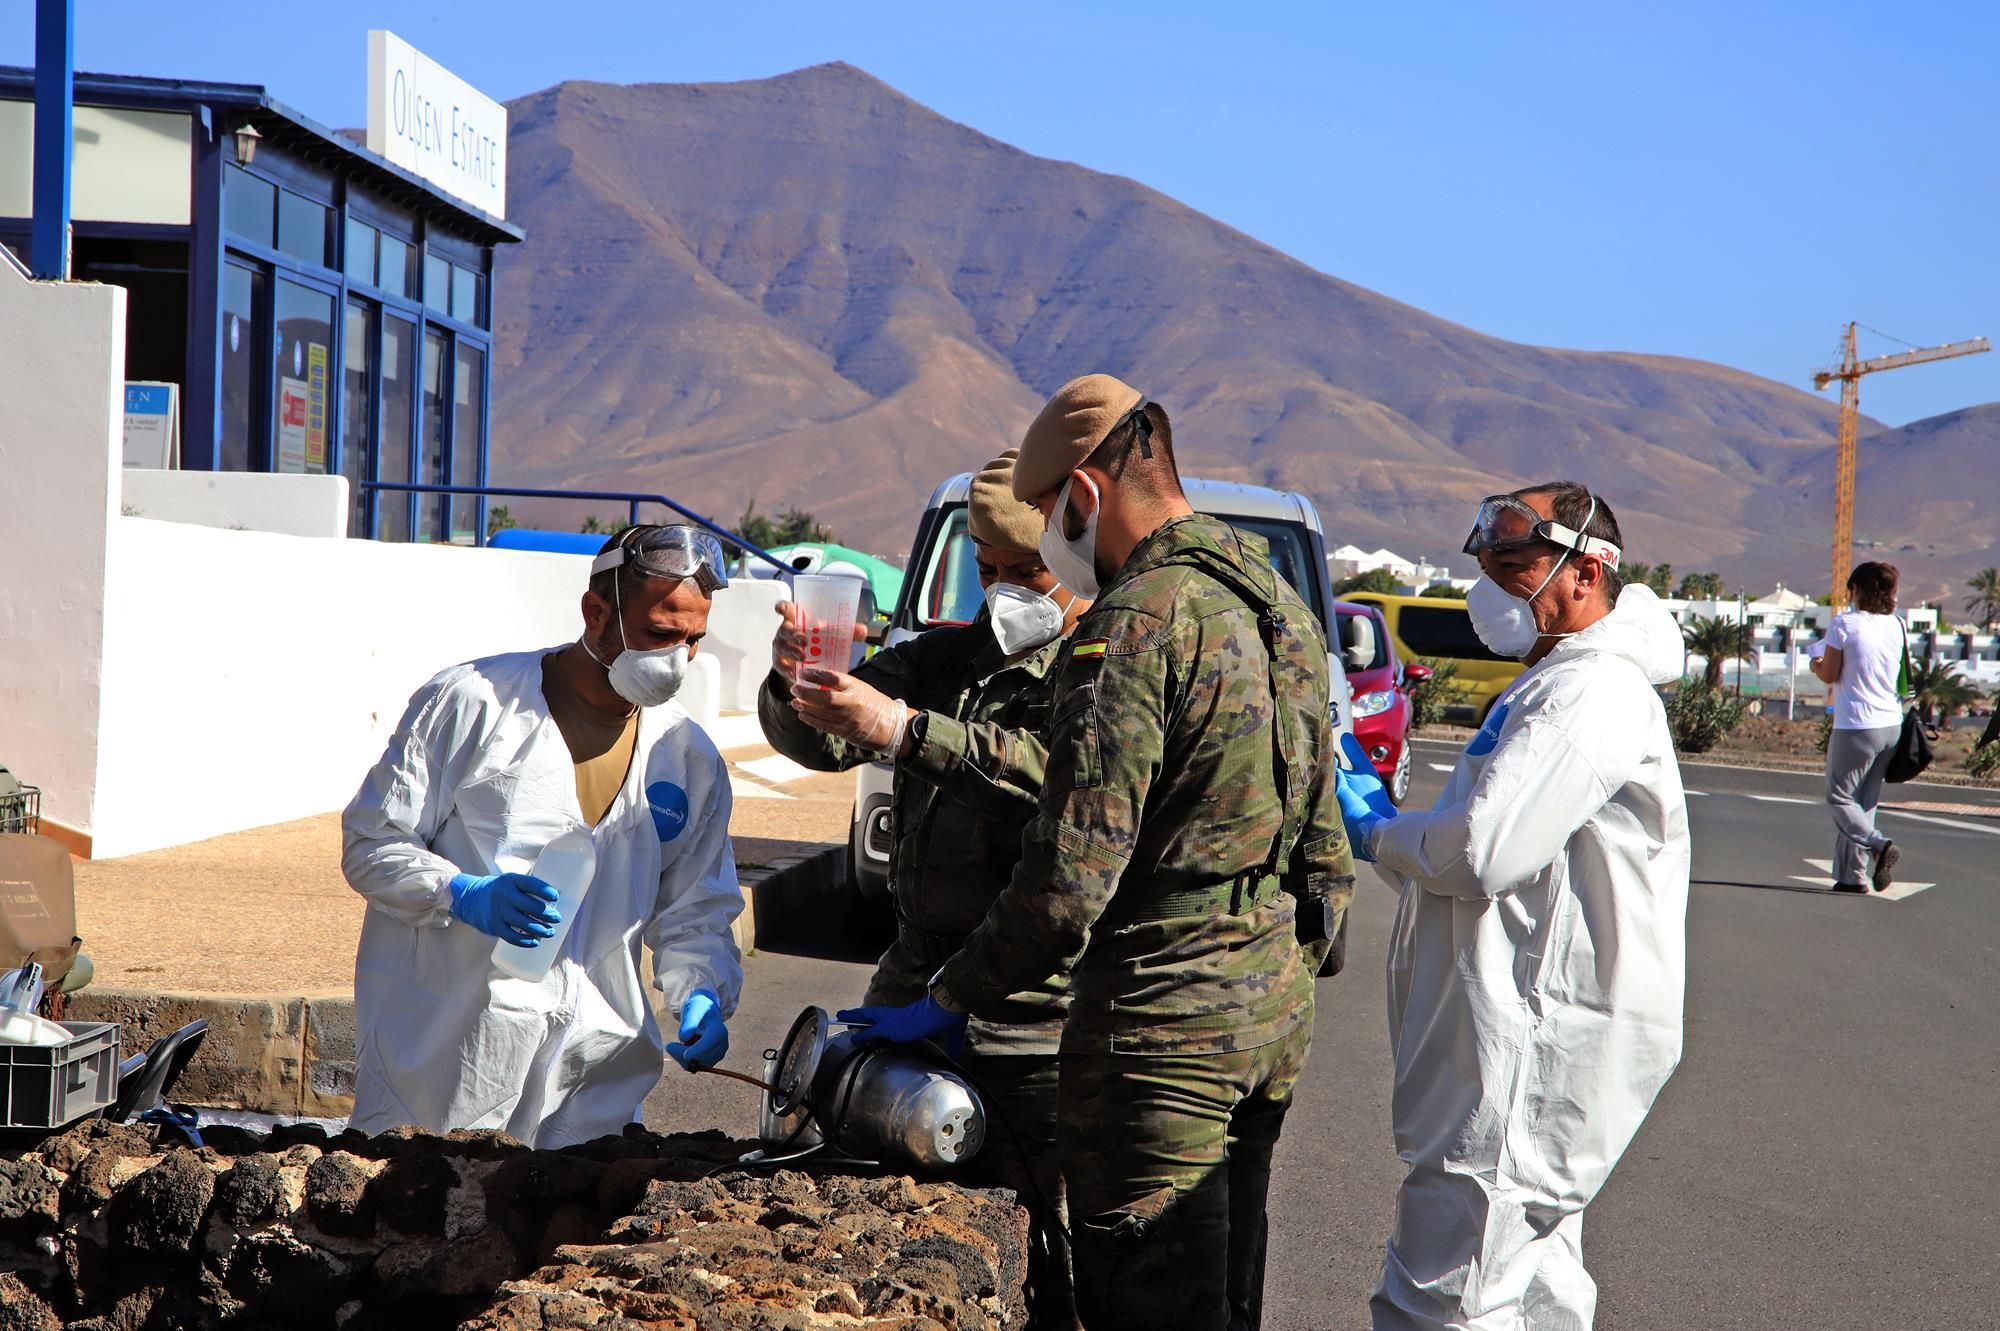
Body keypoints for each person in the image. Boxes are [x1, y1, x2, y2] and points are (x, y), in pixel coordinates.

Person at [839, 375, 1352, 1331]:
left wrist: (944, 999)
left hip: (1162, 1031)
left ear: (1082, 493)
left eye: (1044, 516)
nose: (1045, 543)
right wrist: (1293, 958)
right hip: (1268, 1011)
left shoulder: (1134, 623)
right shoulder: (1273, 595)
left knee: (1146, 1297)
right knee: (1228, 1293)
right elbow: (1324, 836)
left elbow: (1069, 880)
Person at [1338, 482, 1689, 1331]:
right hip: (1524, 1033)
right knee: (1536, 1293)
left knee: (1444, 1298)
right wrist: (1398, 832)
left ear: (1586, 572)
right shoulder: (1560, 682)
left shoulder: (1590, 692)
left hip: (1527, 1050)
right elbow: (1489, 857)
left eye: (1513, 564)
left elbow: (1483, 851)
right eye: (1486, 564)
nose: (1490, 587)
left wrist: (1380, 827)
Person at [758, 449, 1086, 1324]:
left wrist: (907, 732)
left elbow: (1061, 787)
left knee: (1046, 1240)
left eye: (1029, 571)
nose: (1007, 591)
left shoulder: (1102, 668)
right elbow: (826, 738)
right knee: (887, 1226)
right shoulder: (950, 659)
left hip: (1033, 1010)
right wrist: (797, 681)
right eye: (989, 572)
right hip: (912, 983)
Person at [342, 524, 745, 1149]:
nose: (677, 660)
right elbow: (372, 843)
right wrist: (461, 892)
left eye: (693, 639)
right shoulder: (475, 703)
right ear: (596, 612)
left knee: (563, 1241)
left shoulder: (685, 757)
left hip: (595, 1085)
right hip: (449, 1069)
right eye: (660, 635)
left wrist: (702, 990)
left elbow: (695, 909)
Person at [1809, 561, 1907, 892]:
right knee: (1864, 800)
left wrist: (1815, 663)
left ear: (1858, 590)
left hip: (1857, 724)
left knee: (1838, 795)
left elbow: (1829, 674)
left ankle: (1879, 845)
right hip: (1891, 724)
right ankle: (1852, 877)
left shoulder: (1844, 624)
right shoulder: (1897, 625)